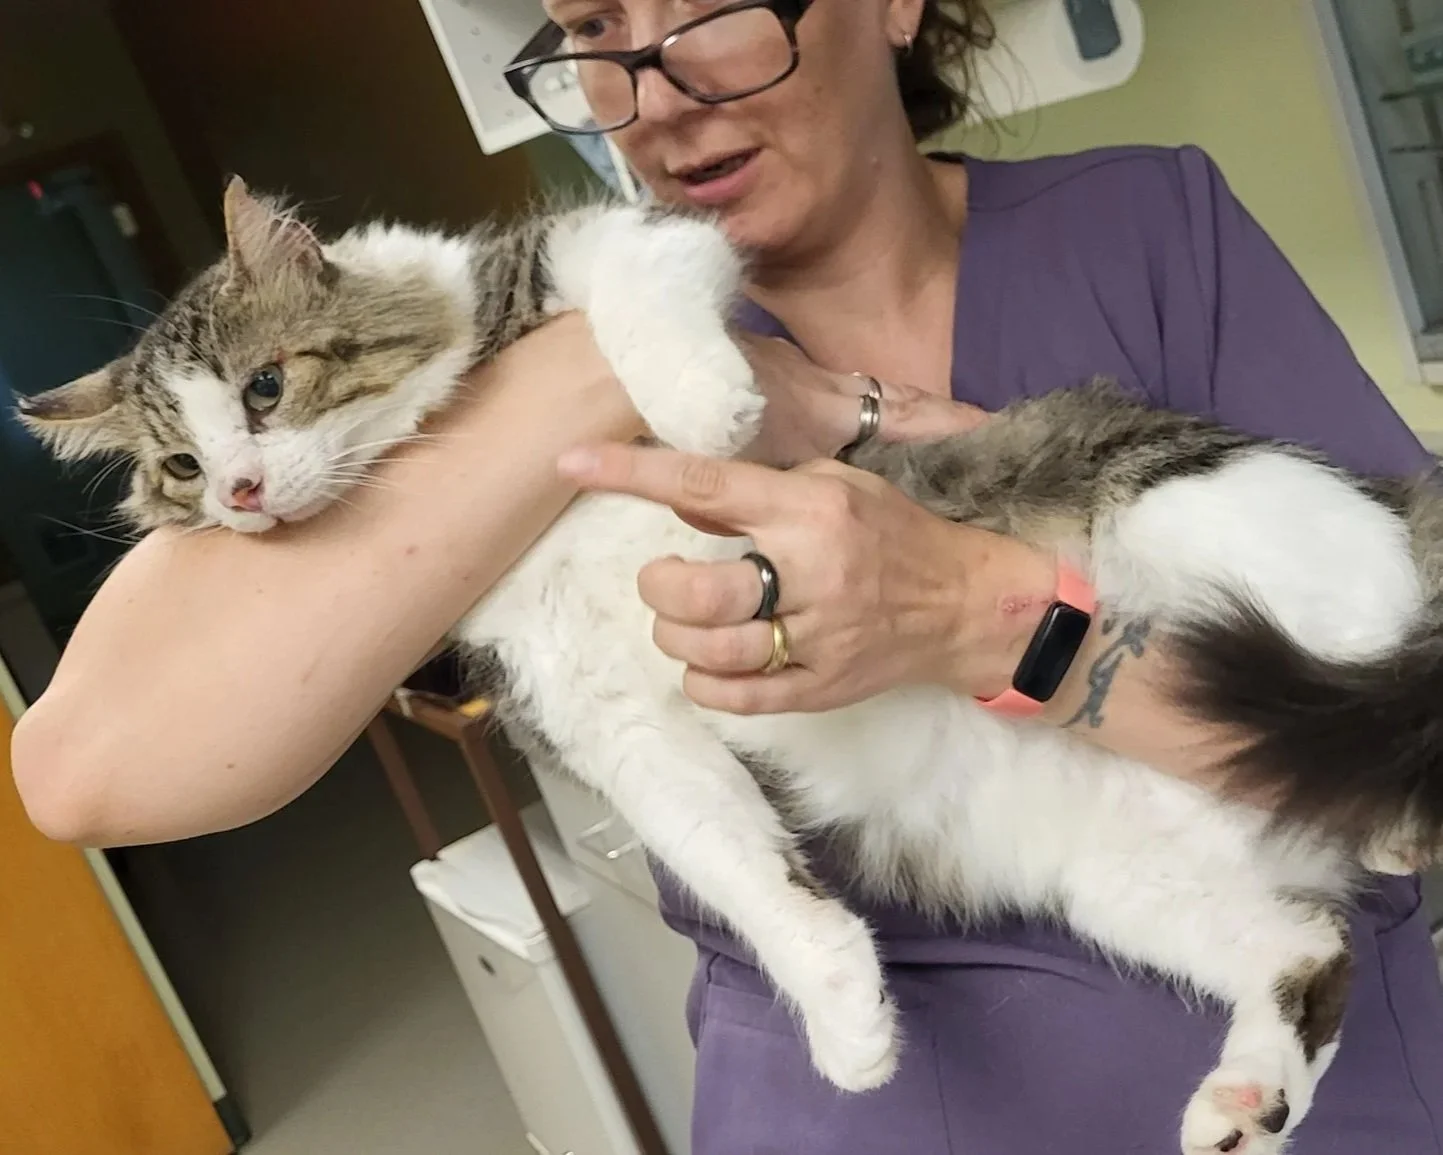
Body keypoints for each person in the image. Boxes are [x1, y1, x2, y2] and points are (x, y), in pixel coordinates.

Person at [12, 0, 1443, 1149]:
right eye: (590, 33)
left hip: (1323, 1057)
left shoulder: (1147, 222)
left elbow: (1404, 765)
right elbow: (89, 773)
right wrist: (611, 364)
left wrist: (980, 615)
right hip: (869, 1100)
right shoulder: (499, 367)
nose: (654, 94)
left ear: (894, 6)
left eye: (708, 9)